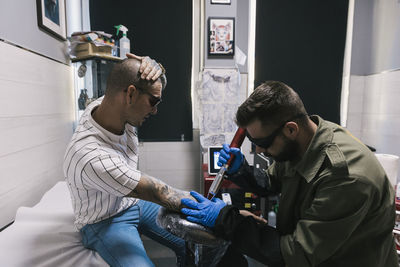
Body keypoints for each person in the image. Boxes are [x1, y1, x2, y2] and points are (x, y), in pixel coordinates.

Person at [181, 81, 398, 266]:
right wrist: (242, 171)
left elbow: (297, 253)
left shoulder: (346, 178)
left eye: (262, 142)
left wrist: (226, 220)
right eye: (253, 143)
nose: (258, 150)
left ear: (291, 129)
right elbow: (271, 182)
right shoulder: (305, 141)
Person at [63, 54, 194, 267]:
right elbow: (158, 192)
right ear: (131, 94)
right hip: (104, 220)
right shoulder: (89, 155)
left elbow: (127, 80)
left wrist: (156, 67)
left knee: (194, 240)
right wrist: (222, 213)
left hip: (130, 202)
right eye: (153, 102)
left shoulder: (111, 106)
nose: (155, 110)